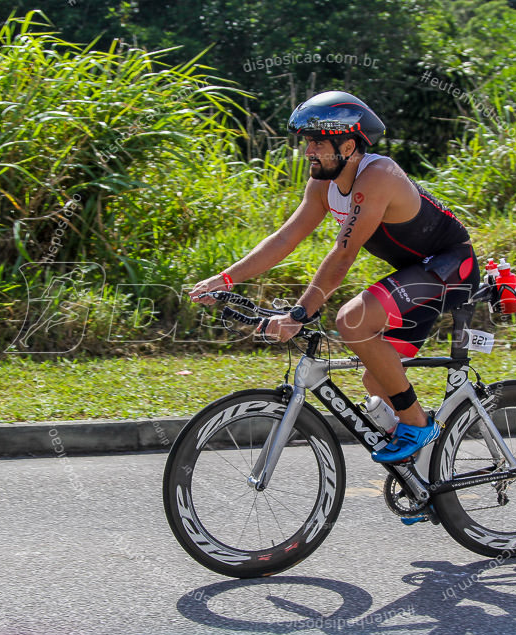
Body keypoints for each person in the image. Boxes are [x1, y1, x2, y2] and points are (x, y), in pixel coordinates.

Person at [189, 91, 479, 463]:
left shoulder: (379, 175)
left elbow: (343, 255)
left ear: (348, 143)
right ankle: (424, 474)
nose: (308, 151)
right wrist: (225, 279)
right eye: (307, 142)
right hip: (417, 273)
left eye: (317, 142)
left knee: (352, 321)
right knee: (377, 381)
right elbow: (286, 238)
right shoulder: (323, 184)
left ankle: (417, 425)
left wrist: (299, 314)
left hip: (451, 266)